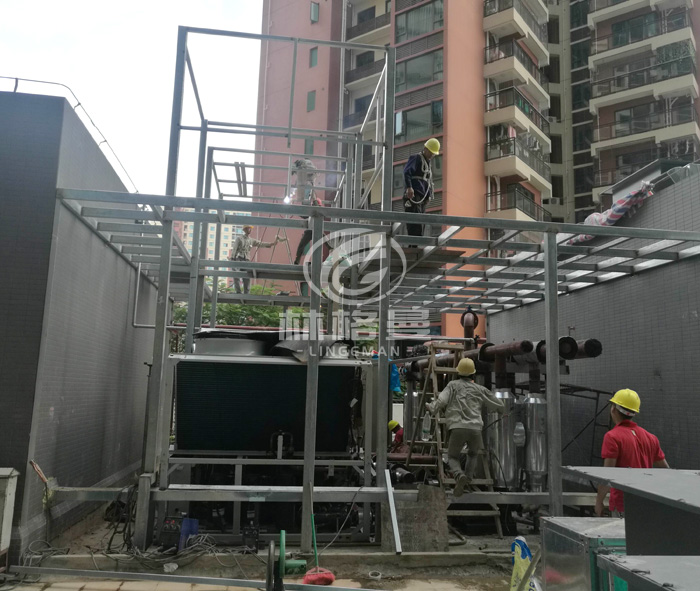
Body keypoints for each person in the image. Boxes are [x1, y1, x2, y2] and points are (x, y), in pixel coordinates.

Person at [427, 358, 504, 497]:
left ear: (458, 372)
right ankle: (467, 481)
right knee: (473, 454)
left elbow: (442, 400)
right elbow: (498, 404)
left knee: (452, 456)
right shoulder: (480, 388)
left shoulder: (452, 385)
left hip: (457, 427)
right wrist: (501, 411)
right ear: (473, 373)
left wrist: (432, 408)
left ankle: (459, 475)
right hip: (476, 429)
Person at [595, 389, 669, 517]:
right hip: (646, 502)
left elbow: (608, 474)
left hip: (623, 505)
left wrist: (599, 501)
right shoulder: (651, 438)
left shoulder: (612, 437)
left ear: (613, 409)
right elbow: (666, 471)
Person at [229, 225, 286, 294]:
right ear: (244, 230)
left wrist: (272, 244)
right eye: (248, 228)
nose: (249, 230)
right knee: (236, 275)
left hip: (246, 260)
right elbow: (234, 248)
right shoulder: (239, 239)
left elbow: (260, 243)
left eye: (250, 228)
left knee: (247, 277)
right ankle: (238, 292)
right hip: (238, 259)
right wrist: (232, 258)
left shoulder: (251, 240)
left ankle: (246, 293)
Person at [403, 138, 440, 237]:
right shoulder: (416, 158)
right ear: (425, 149)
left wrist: (428, 196)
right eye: (431, 152)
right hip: (414, 195)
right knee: (415, 224)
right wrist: (409, 187)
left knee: (421, 223)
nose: (432, 155)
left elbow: (428, 182)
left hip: (421, 197)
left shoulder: (427, 164)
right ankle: (414, 244)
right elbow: (406, 172)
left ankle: (417, 243)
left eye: (433, 153)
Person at [291, 159, 322, 265]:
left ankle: (299, 261)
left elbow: (307, 213)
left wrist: (295, 210)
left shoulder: (315, 210)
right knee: (305, 244)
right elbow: (305, 215)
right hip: (311, 229)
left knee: (315, 243)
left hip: (314, 228)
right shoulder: (311, 208)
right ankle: (297, 260)